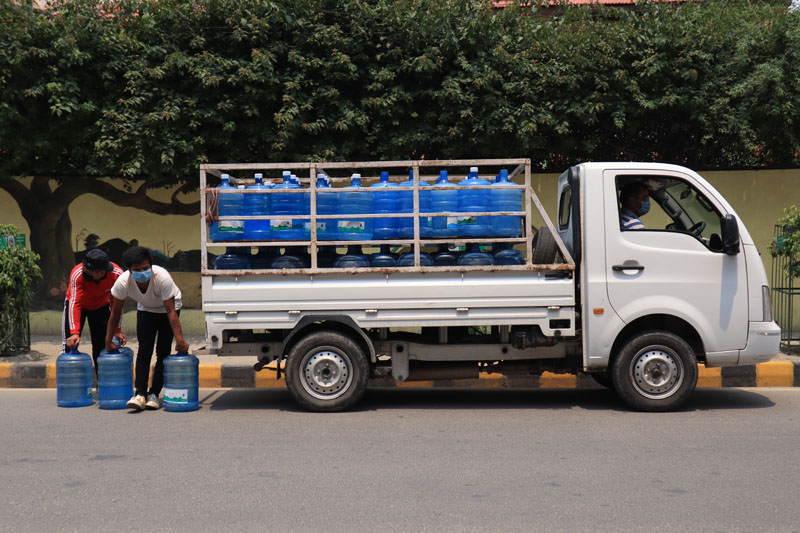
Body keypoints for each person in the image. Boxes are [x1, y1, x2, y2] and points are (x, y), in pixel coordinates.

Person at [105, 246, 189, 411]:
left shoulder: (162, 277)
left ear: (150, 265)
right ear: (129, 270)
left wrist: (180, 341)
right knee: (144, 350)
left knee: (163, 351)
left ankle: (154, 395)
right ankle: (140, 394)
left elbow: (171, 312)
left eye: (145, 268)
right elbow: (115, 314)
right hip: (145, 309)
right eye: (137, 270)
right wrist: (108, 341)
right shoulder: (123, 282)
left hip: (168, 309)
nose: (142, 272)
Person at [62, 249, 125, 374]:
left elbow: (117, 305)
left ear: (101, 273)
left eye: (88, 272)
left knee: (101, 347)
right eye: (84, 268)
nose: (84, 271)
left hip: (100, 307)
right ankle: (73, 384)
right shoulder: (77, 273)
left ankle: (101, 384)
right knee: (70, 344)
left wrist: (117, 330)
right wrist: (74, 332)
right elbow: (75, 303)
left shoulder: (117, 275)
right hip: (77, 307)